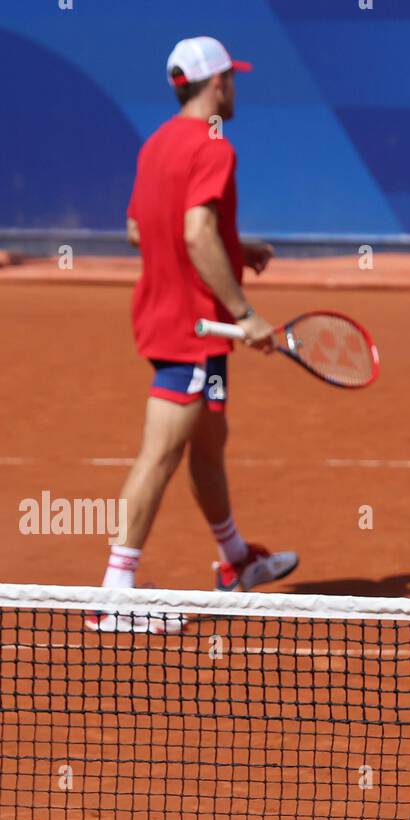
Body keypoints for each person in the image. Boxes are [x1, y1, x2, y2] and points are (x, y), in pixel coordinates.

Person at [92, 36, 296, 632]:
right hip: (194, 329)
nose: (235, 87)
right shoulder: (214, 145)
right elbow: (194, 232)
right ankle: (115, 593)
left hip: (169, 318)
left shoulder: (158, 142)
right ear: (217, 84)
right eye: (232, 78)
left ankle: (235, 562)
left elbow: (138, 227)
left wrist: (238, 248)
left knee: (208, 440)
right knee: (159, 454)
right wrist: (245, 313)